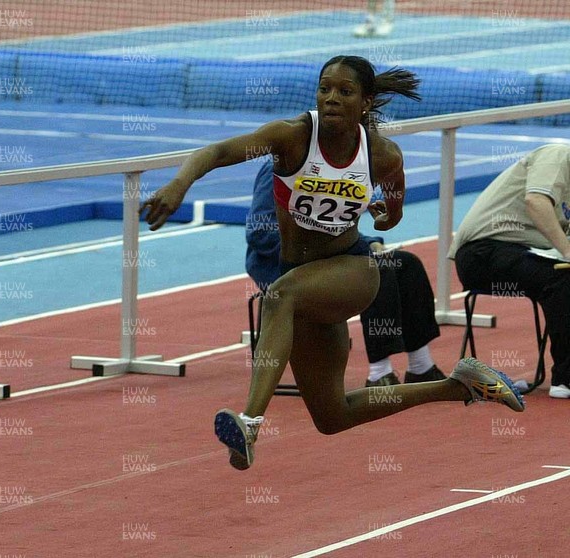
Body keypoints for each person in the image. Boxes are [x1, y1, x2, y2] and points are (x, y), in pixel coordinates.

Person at [141, 55, 525, 471]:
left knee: (279, 295)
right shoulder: (290, 137)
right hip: (304, 280)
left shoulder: (382, 156)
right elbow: (217, 151)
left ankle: (250, 423)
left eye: (344, 91)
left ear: (366, 101)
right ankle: (457, 386)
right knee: (332, 415)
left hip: (352, 270)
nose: (331, 98)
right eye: (325, 88)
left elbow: (393, 214)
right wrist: (179, 184)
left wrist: (381, 214)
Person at [246, 159, 446, 387]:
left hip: (332, 258)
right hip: (283, 265)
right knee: (375, 270)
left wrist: (369, 243)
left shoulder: (334, 169)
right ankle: (379, 373)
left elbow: (340, 229)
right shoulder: (279, 168)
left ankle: (421, 366)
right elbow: (260, 234)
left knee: (405, 264)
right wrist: (318, 250)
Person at [449, 144, 570, 400]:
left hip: (519, 253)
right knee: (563, 280)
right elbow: (536, 201)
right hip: (481, 253)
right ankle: (566, 378)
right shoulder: (558, 155)